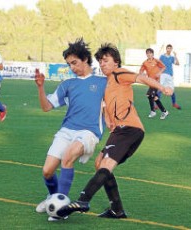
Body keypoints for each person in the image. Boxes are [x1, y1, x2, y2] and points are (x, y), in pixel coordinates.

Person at [57, 43, 172, 219]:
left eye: (106, 60)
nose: (102, 64)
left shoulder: (119, 74)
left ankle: (83, 200)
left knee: (106, 164)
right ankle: (117, 210)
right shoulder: (107, 82)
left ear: (116, 62)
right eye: (100, 61)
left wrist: (162, 88)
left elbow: (141, 78)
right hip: (119, 130)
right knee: (99, 163)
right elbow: (106, 104)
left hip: (130, 129)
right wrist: (109, 120)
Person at [34, 38, 107, 221]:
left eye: (74, 62)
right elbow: (46, 107)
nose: (72, 67)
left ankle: (61, 209)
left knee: (68, 157)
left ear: (85, 59)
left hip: (89, 132)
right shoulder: (68, 84)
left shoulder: (103, 82)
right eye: (69, 64)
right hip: (67, 130)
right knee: (47, 171)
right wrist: (41, 87)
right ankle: (53, 197)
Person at [139, 48, 169, 119]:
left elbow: (164, 67)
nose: (149, 54)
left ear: (153, 54)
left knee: (150, 95)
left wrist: (159, 73)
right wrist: (142, 74)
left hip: (157, 81)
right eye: (147, 53)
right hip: (150, 81)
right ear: (146, 54)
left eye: (150, 53)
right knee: (153, 97)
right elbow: (141, 71)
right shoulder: (145, 63)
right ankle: (164, 111)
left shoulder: (156, 60)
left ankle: (153, 111)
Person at [159, 44, 181, 110]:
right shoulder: (162, 56)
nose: (169, 49)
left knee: (172, 90)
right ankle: (156, 104)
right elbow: (158, 64)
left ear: (171, 49)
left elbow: (177, 64)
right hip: (163, 74)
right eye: (168, 48)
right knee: (160, 88)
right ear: (166, 49)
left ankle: (174, 103)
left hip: (170, 75)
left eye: (170, 48)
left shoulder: (172, 57)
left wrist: (175, 56)